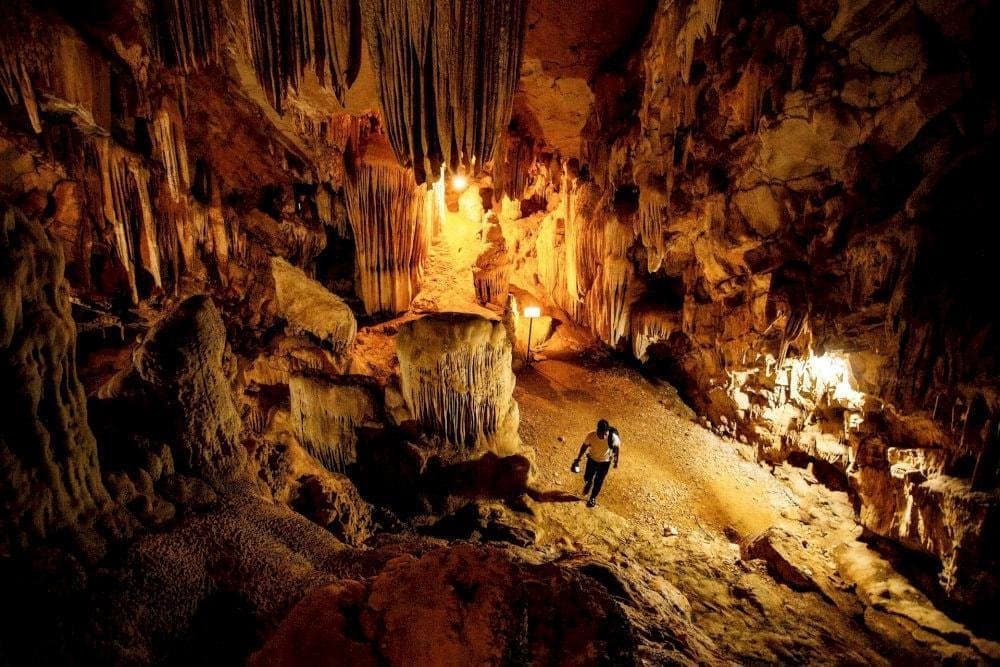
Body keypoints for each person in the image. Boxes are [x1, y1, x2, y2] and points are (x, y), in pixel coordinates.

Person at [572, 419, 620, 508]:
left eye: (606, 433)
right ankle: (589, 482)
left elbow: (616, 449)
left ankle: (593, 498)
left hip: (605, 462)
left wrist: (616, 461)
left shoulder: (613, 437)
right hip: (592, 459)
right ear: (598, 430)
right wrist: (578, 459)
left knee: (599, 481)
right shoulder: (591, 436)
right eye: (602, 433)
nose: (604, 436)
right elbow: (584, 447)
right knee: (587, 476)